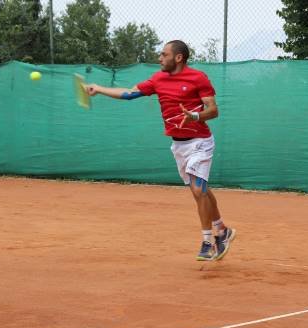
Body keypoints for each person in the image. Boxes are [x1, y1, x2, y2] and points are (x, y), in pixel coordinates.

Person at [86, 40, 236, 262]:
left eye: (164, 54)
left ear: (178, 58)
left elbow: (213, 110)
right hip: (179, 146)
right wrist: (98, 89)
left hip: (200, 142)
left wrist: (195, 116)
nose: (159, 58)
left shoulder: (198, 78)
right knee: (201, 190)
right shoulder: (158, 79)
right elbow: (129, 94)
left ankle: (207, 242)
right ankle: (222, 230)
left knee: (198, 190)